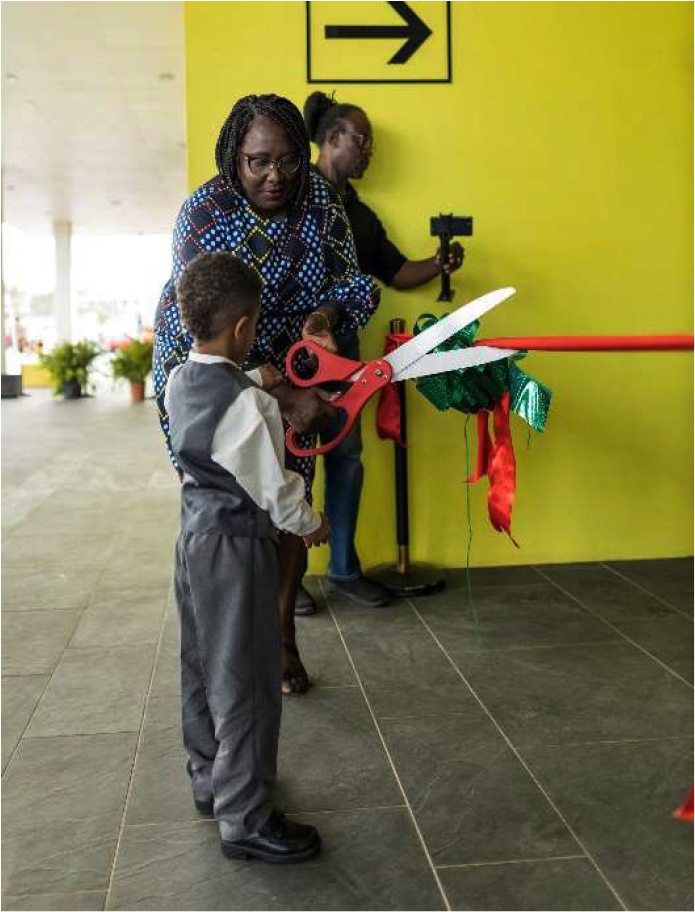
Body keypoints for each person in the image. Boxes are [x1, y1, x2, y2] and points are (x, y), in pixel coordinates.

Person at [153, 94, 380, 694]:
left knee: (289, 503)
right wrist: (277, 398)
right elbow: (202, 335)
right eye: (258, 163)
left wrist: (325, 318)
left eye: (286, 162)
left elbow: (353, 283)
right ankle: (224, 646)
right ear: (235, 159)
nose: (274, 176)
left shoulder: (323, 203)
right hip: (212, 365)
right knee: (234, 506)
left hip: (294, 363)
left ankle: (280, 638)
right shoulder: (204, 212)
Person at [166, 251, 330, 862]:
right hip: (238, 548)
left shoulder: (182, 380)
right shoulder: (250, 408)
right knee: (250, 676)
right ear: (243, 327)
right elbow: (274, 487)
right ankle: (248, 815)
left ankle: (211, 781)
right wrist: (311, 522)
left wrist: (258, 378)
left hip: (194, 544)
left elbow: (222, 400)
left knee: (203, 665)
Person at [295, 91, 465, 614]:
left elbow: (393, 271)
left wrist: (437, 263)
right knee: (289, 460)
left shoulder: (360, 218)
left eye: (370, 144)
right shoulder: (291, 195)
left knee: (347, 455)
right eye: (361, 141)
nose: (369, 152)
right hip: (293, 350)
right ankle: (288, 578)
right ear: (330, 139)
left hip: (344, 352)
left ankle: (344, 569)